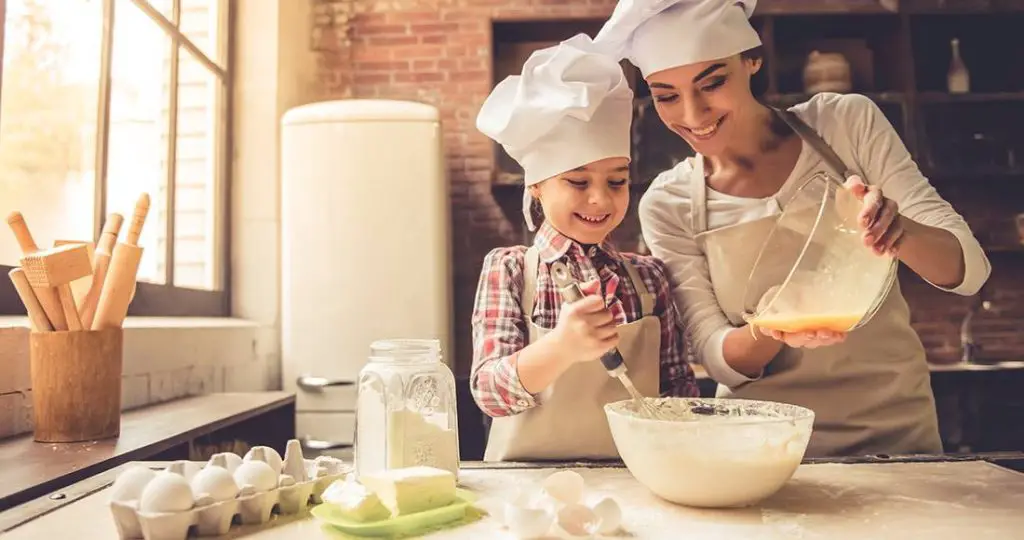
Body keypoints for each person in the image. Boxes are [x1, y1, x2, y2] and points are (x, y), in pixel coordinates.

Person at [594, 0, 991, 457]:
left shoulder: (845, 125)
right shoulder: (669, 202)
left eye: (713, 83)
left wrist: (899, 231)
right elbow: (715, 356)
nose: (693, 113)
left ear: (751, 60)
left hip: (894, 431)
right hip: (760, 446)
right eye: (666, 95)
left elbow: (969, 270)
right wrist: (772, 328)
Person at [470, 33, 700, 462]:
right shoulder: (511, 270)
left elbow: (676, 388)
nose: (600, 199)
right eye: (577, 181)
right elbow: (489, 394)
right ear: (536, 186)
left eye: (617, 181)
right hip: (530, 490)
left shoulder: (649, 277)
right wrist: (562, 347)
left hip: (638, 479)